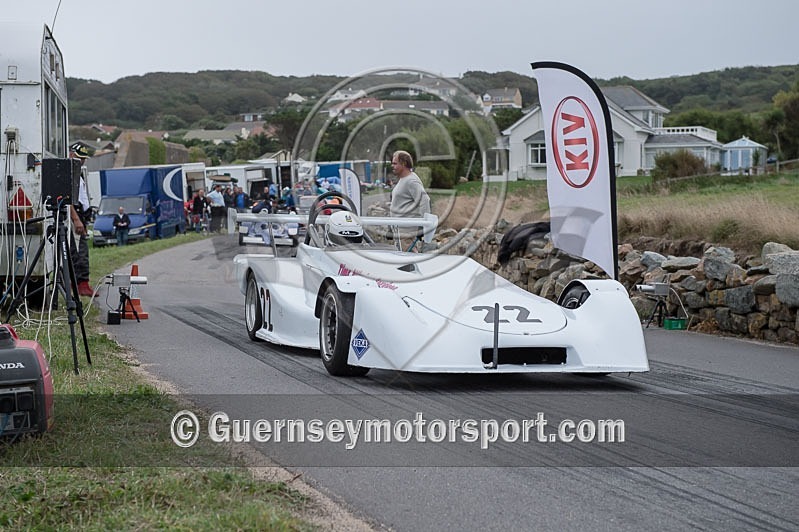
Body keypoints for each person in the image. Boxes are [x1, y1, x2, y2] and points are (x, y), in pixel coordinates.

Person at [68, 143, 95, 297]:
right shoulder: (68, 173)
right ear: (71, 154)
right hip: (75, 217)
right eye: (79, 158)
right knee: (78, 252)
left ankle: (81, 283)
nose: (82, 161)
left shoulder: (77, 173)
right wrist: (76, 219)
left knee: (81, 251)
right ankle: (80, 284)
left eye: (84, 158)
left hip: (81, 215)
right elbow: (67, 199)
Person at [389, 150, 430, 218]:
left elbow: (424, 200)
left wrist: (425, 224)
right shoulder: (403, 179)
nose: (392, 166)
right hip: (399, 226)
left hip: (409, 227)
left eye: (395, 163)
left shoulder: (411, 181)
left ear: (404, 163)